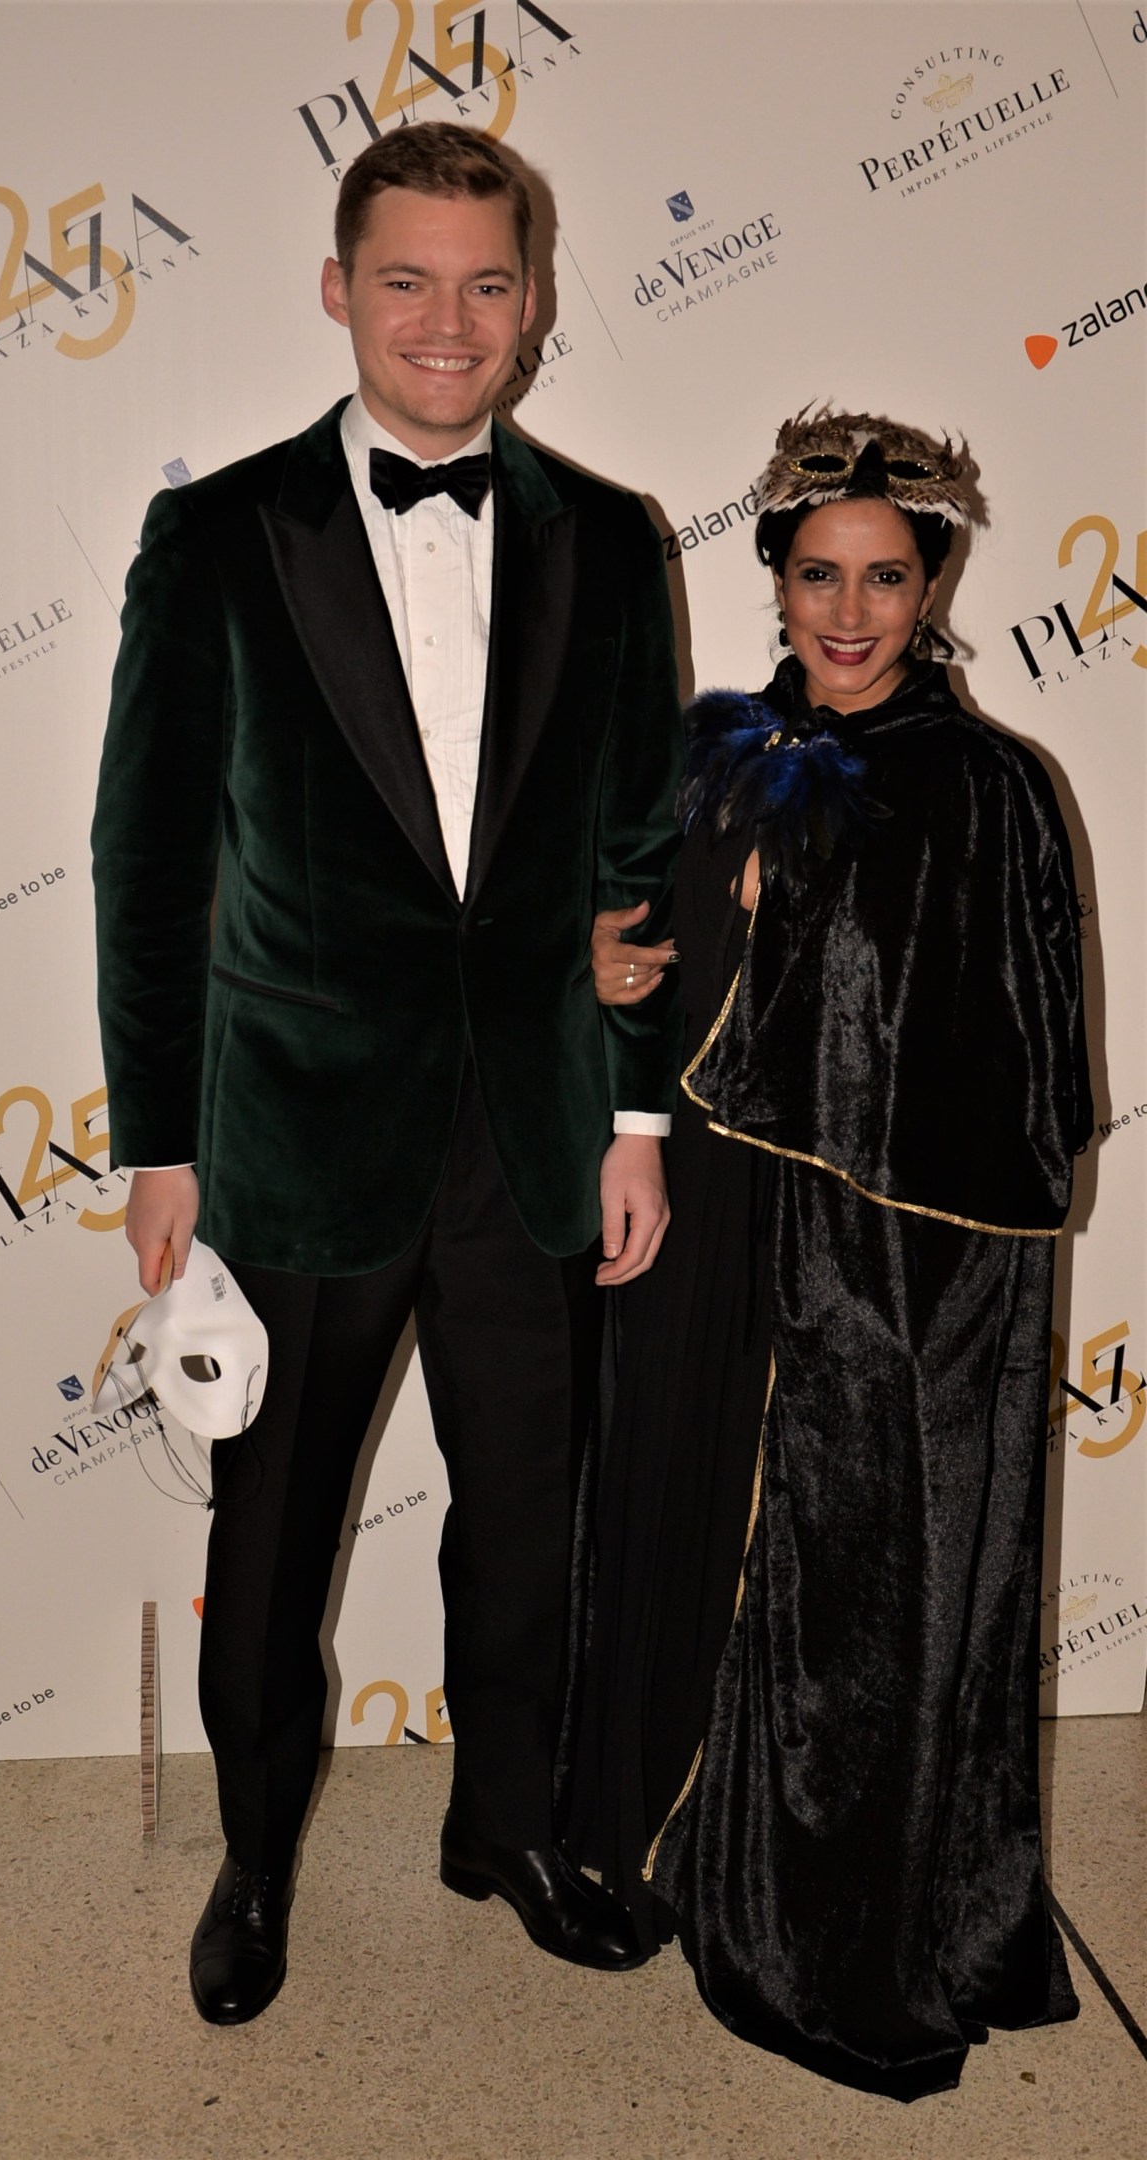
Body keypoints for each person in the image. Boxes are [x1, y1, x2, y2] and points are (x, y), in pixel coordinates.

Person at [91, 121, 684, 2025]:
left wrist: (639, 1116)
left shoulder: (614, 538)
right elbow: (147, 865)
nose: (449, 319)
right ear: (339, 288)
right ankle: (256, 1858)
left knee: (532, 1516)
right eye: (408, 279)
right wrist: (162, 1144)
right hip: (292, 1130)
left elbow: (640, 854)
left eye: (487, 282)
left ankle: (508, 1829)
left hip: (535, 1128)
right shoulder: (219, 534)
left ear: (535, 301)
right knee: (269, 1535)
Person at [568, 409, 1092, 2101]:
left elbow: (1013, 1088)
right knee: (675, 1510)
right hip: (714, 1223)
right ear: (777, 580)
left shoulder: (989, 790)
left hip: (889, 1276)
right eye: (817, 576)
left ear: (933, 583)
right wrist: (619, 970)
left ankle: (837, 1928)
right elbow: (652, 975)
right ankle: (660, 1852)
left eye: (883, 577)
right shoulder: (714, 754)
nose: (848, 614)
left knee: (864, 1585)